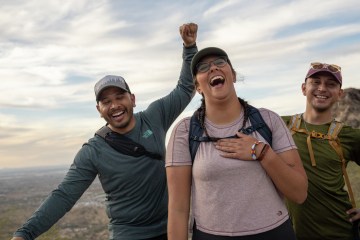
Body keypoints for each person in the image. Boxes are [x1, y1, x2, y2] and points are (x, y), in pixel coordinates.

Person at [10, 23, 198, 240]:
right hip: (128, 234)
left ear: (132, 99)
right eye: (106, 101)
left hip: (171, 229)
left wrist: (189, 47)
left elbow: (185, 88)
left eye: (120, 97)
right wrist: (25, 233)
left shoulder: (153, 117)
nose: (114, 105)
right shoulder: (93, 151)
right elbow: (63, 196)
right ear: (99, 110)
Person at [165, 47, 308, 240]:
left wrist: (262, 152)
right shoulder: (184, 131)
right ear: (198, 86)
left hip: (274, 233)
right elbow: (178, 209)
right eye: (203, 67)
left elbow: (299, 193)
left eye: (220, 62)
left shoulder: (269, 120)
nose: (213, 68)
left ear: (232, 75)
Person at [282, 62, 360, 240]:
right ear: (304, 88)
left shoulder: (349, 136)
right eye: (315, 82)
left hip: (339, 232)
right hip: (289, 233)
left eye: (331, 84)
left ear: (339, 94)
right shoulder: (279, 125)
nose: (322, 88)